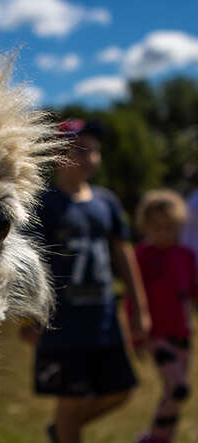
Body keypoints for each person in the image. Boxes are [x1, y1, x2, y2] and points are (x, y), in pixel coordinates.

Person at [22, 119, 151, 443]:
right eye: (81, 150)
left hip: (104, 319)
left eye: (95, 151)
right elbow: (30, 263)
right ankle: (67, 431)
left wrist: (139, 308)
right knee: (70, 397)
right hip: (62, 324)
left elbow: (123, 256)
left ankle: (62, 431)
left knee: (121, 390)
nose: (90, 158)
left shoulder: (106, 202)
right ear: (58, 156)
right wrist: (29, 314)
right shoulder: (44, 204)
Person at [130, 190, 197, 443]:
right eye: (156, 227)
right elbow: (133, 300)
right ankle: (153, 438)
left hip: (183, 334)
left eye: (169, 227)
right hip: (158, 335)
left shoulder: (185, 256)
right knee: (179, 388)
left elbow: (192, 293)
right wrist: (137, 335)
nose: (163, 233)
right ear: (145, 226)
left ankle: (163, 437)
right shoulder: (143, 257)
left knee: (174, 394)